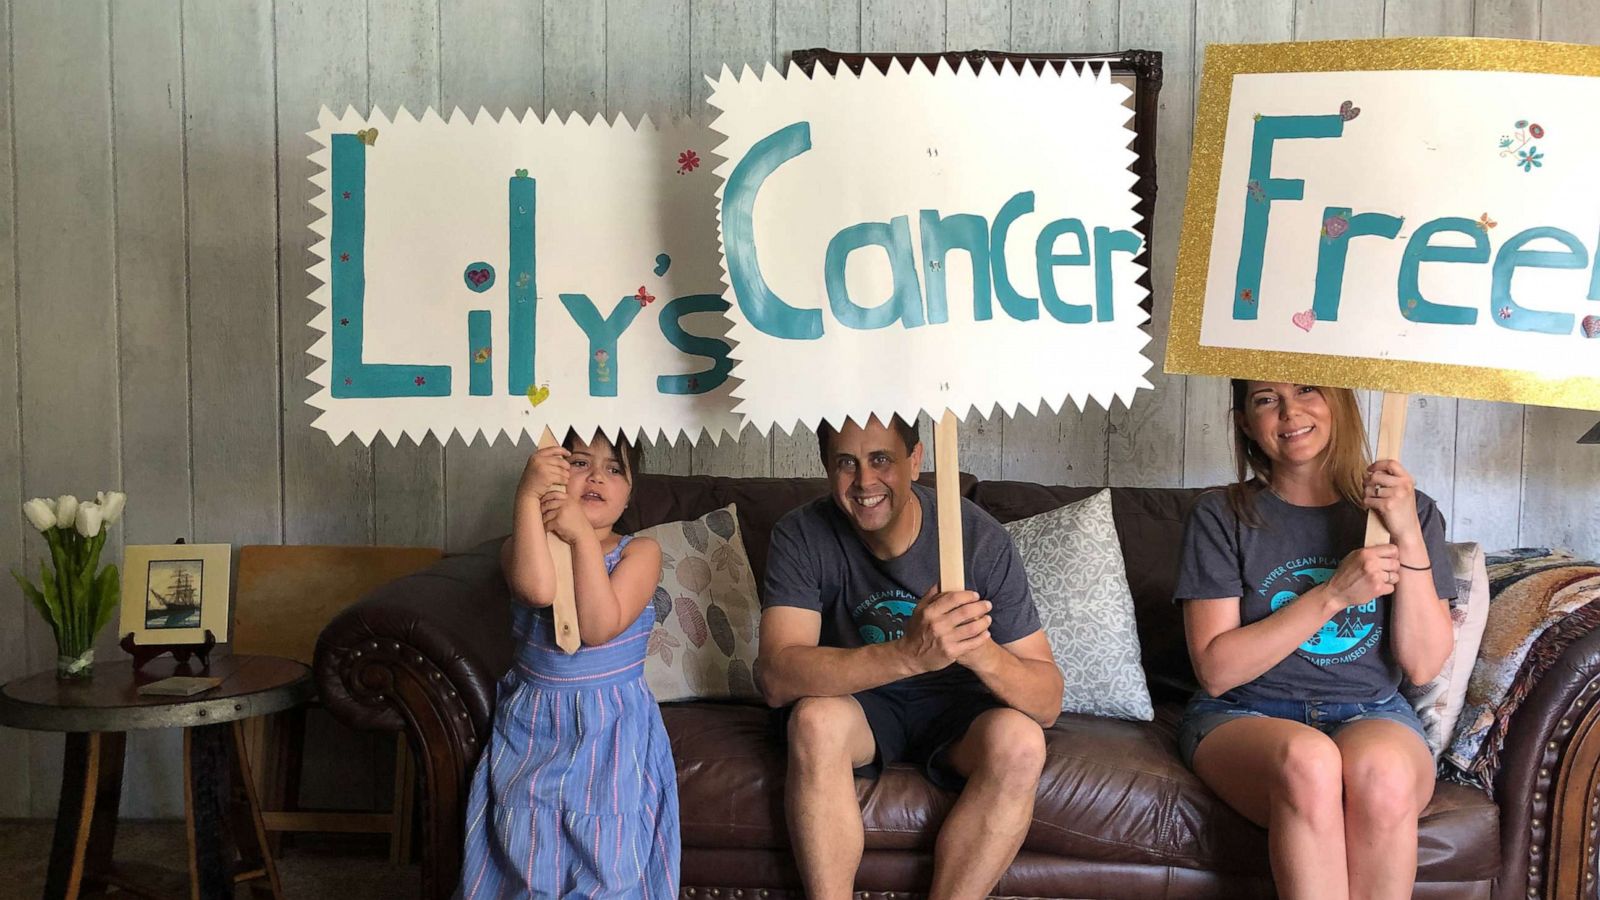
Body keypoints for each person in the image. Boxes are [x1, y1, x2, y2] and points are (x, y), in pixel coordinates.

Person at [757, 414, 1063, 900]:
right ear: (826, 468)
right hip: (861, 702)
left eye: (881, 459)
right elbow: (776, 676)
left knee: (1022, 742)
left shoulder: (978, 538)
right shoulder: (802, 533)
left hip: (958, 709)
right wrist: (908, 654)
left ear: (916, 460)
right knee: (814, 722)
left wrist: (975, 648)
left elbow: (1046, 700)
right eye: (846, 464)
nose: (864, 482)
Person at [1175, 380, 1456, 900]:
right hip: (1244, 713)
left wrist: (1406, 532)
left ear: (1339, 401)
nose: (1289, 412)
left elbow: (1422, 665)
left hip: (1370, 710)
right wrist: (1331, 595)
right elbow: (1216, 671)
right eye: (1265, 399)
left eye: (1308, 390)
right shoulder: (1221, 515)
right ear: (1244, 422)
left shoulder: (1410, 513)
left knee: (1385, 773)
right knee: (1309, 762)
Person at [460, 430, 675, 898]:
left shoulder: (641, 553)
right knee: (527, 844)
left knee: (608, 850)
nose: (597, 475)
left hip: (612, 725)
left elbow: (600, 626)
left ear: (629, 491)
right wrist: (528, 496)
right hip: (536, 721)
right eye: (579, 462)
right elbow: (537, 590)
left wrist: (581, 537)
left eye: (614, 468)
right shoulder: (522, 546)